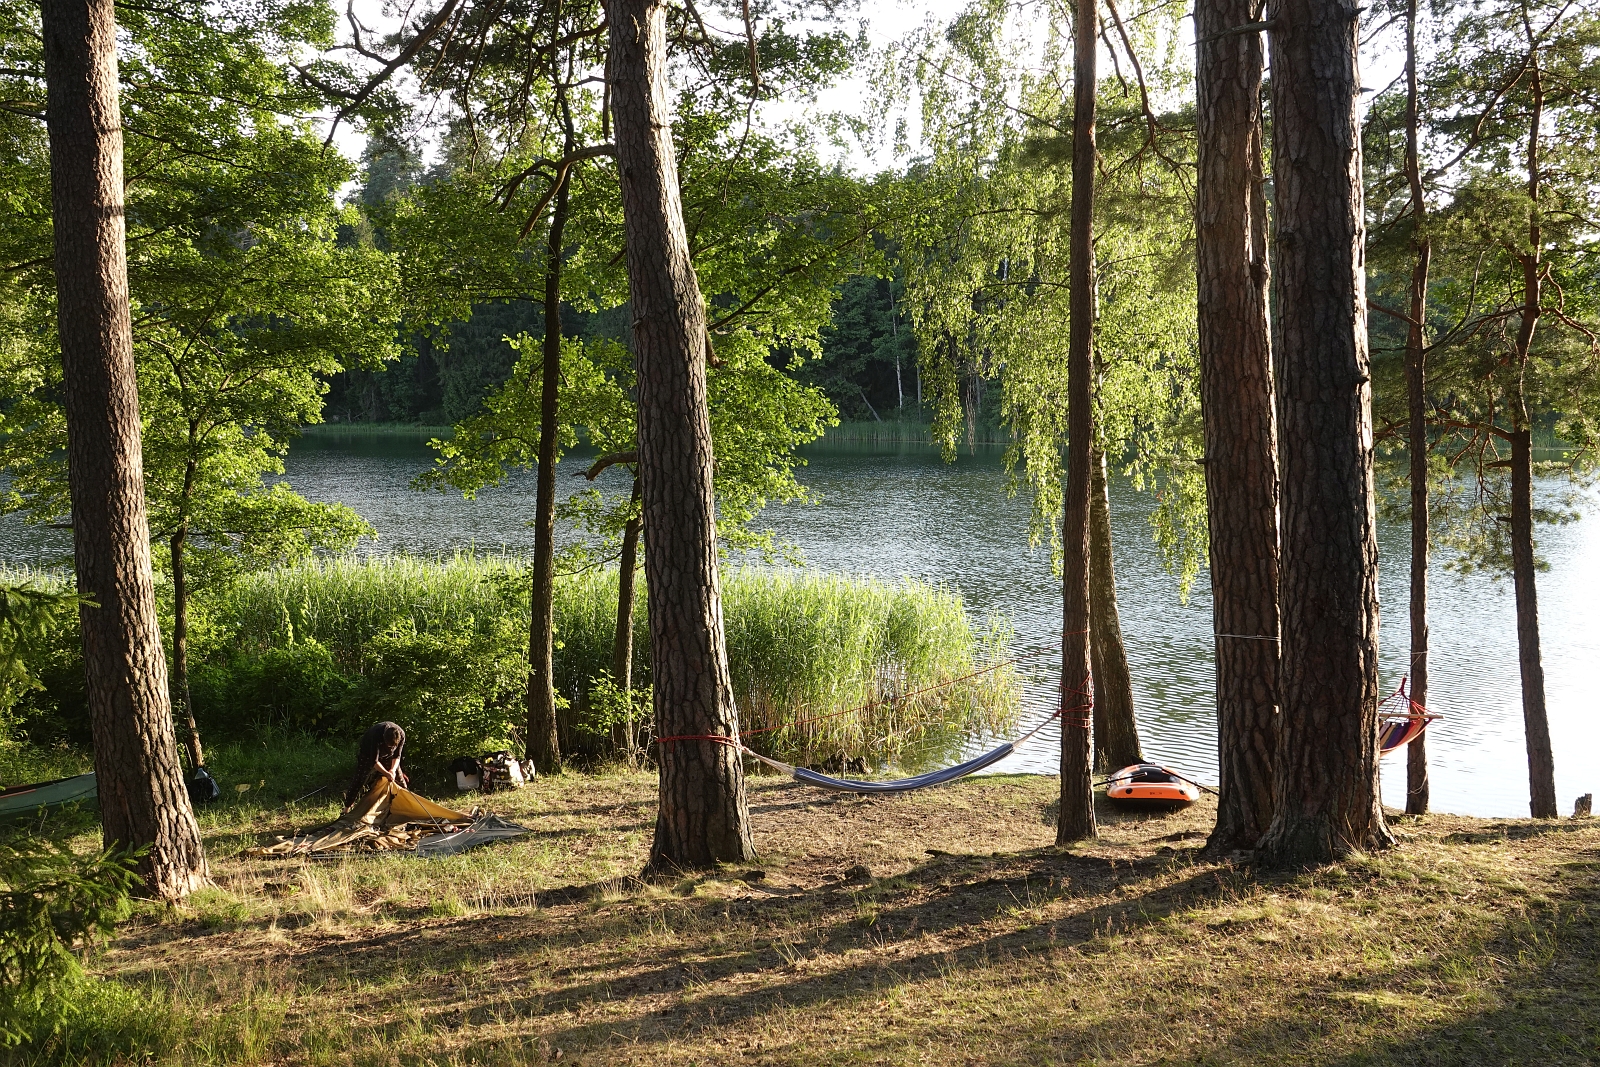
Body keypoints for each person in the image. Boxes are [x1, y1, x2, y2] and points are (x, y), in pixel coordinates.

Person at [344, 721, 409, 809]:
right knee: (359, 779)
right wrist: (386, 773)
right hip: (367, 754)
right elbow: (374, 761)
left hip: (388, 757)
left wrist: (392, 770)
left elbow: (397, 756)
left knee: (399, 779)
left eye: (392, 747)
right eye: (388, 746)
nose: (390, 748)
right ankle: (347, 807)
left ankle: (405, 806)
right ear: (384, 739)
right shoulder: (376, 734)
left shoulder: (401, 735)